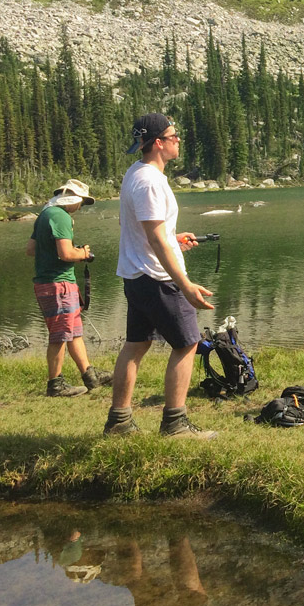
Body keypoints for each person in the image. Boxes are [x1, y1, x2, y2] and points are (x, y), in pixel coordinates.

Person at [103, 113, 216, 438]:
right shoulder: (150, 181)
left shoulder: (135, 174)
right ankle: (175, 424)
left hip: (136, 276)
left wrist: (174, 238)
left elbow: (144, 230)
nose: (178, 139)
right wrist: (185, 283)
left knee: (135, 346)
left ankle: (119, 422)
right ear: (157, 143)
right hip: (157, 279)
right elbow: (153, 237)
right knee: (188, 344)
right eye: (173, 135)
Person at [26, 178, 113, 396]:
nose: (80, 207)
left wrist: (59, 251)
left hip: (51, 283)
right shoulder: (61, 217)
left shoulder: (45, 214)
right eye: (81, 202)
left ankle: (90, 376)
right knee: (60, 335)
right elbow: (66, 254)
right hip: (59, 286)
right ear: (72, 199)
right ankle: (55, 384)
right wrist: (83, 253)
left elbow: (31, 249)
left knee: (73, 333)